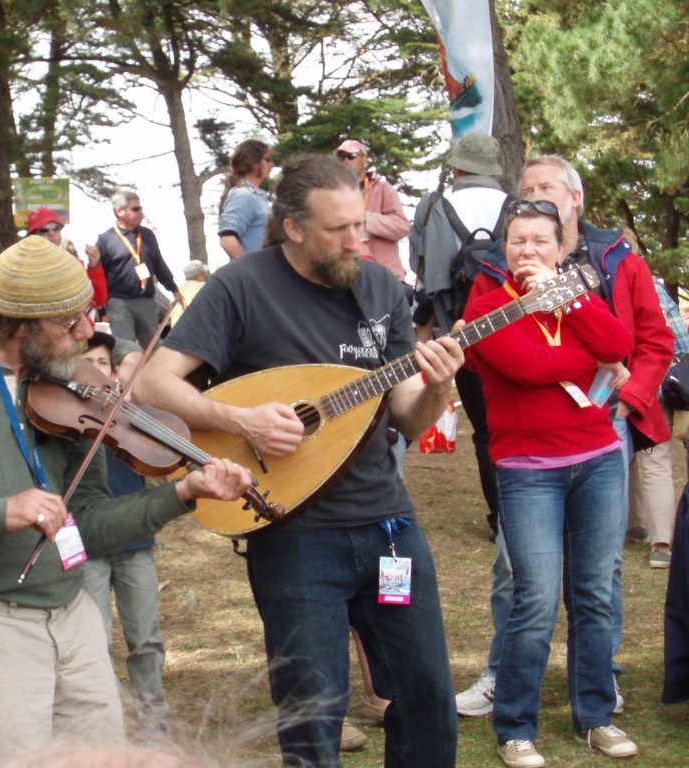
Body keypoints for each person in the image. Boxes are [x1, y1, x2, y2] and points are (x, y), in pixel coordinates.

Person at [0, 236, 251, 767]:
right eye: (70, 322)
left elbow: (89, 524)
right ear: (21, 325)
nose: (87, 332)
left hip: (74, 611)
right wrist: (1, 512)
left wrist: (180, 494)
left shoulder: (68, 386)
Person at [135, 155, 463, 768]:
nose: (356, 241)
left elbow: (407, 418)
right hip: (293, 531)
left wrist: (438, 387)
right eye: (338, 229)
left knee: (426, 694)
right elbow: (152, 383)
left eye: (360, 225)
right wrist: (242, 420)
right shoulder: (241, 287)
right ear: (293, 228)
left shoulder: (380, 289)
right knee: (312, 712)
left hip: (387, 522)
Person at [454, 155, 673, 720]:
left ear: (574, 199)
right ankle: (504, 676)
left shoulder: (616, 257)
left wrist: (630, 395)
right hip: (527, 446)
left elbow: (645, 341)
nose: (535, 195)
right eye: (525, 189)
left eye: (546, 187)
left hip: (604, 427)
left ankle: (599, 682)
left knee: (599, 575)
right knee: (520, 573)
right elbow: (510, 358)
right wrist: (593, 359)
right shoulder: (494, 275)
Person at [462, 199, 636, 766]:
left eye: (541, 240)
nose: (528, 250)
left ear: (561, 250)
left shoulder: (577, 295)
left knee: (594, 594)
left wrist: (570, 302)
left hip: (598, 461)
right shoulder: (488, 309)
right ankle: (515, 725)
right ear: (504, 250)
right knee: (535, 598)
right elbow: (530, 368)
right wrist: (589, 359)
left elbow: (618, 347)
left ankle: (596, 716)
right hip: (528, 470)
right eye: (518, 241)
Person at [409, 132, 510, 538]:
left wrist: (424, 329)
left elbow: (423, 276)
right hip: (514, 326)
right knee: (516, 424)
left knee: (485, 430)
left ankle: (501, 520)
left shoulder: (437, 207)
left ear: (457, 168)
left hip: (460, 332)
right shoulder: (516, 208)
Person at [79, 331, 170, 734]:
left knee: (145, 636)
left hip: (134, 538)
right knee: (94, 640)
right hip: (87, 542)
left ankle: (153, 721)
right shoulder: (63, 416)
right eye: (86, 363)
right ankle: (107, 723)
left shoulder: (131, 412)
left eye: (103, 363)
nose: (96, 371)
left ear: (115, 372)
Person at [627, 275, 689, 569]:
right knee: (653, 460)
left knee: (646, 459)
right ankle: (652, 535)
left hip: (638, 384)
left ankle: (656, 540)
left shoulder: (602, 282)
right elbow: (682, 341)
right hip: (666, 383)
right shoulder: (652, 286)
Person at [95, 190, 184, 348]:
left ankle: (152, 365)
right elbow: (100, 274)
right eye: (135, 209)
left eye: (140, 208)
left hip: (146, 299)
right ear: (119, 211)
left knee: (153, 346)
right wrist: (101, 304)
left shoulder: (147, 235)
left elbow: (159, 264)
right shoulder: (106, 239)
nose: (140, 212)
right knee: (125, 346)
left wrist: (174, 289)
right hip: (118, 300)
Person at [335, 138, 410, 282]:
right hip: (349, 277)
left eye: (351, 156)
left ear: (364, 159)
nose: (345, 161)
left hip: (384, 277)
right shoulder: (335, 195)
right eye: (341, 157)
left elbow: (402, 226)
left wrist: (363, 218)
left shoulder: (382, 188)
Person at [26, 207, 108, 309]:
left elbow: (98, 300)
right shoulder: (22, 266)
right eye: (44, 230)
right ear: (32, 236)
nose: (51, 233)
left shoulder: (73, 263)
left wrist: (94, 266)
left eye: (56, 228)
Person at [217, 140, 274, 260]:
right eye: (267, 159)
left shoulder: (256, 196)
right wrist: (250, 269)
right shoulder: (243, 195)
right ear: (253, 162)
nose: (271, 165)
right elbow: (227, 238)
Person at [168, 260, 209, 326]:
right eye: (204, 274)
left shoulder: (177, 292)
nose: (205, 277)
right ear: (199, 275)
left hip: (177, 330)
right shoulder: (204, 287)